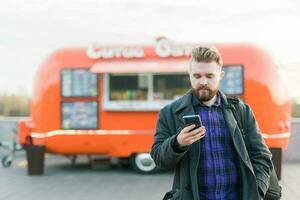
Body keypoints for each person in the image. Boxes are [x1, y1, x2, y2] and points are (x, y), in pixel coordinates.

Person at [150, 46, 273, 200]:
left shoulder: (241, 110)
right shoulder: (169, 112)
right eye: (197, 76)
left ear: (220, 75)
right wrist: (177, 143)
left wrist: (256, 191)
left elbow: (261, 156)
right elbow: (158, 159)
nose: (203, 82)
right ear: (189, 76)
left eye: (209, 76)